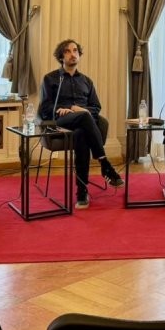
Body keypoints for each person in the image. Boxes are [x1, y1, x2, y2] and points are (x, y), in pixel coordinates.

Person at [38, 39, 123, 210]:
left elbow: (96, 107)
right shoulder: (51, 79)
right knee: (84, 117)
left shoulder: (86, 81)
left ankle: (82, 191)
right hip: (61, 122)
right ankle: (104, 163)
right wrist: (69, 108)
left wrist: (80, 110)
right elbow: (45, 108)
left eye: (75, 50)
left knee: (81, 134)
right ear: (61, 57)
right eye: (68, 51)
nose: (73, 54)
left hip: (82, 126)